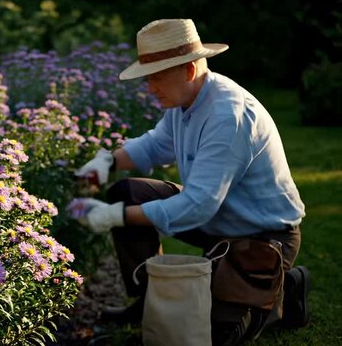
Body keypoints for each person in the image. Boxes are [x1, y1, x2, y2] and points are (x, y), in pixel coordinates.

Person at [73, 19, 309, 346]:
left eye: (157, 77)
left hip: (263, 236)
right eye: (148, 78)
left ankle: (285, 287)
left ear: (187, 70)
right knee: (127, 193)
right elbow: (156, 144)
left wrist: (116, 216)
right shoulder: (186, 99)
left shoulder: (229, 115)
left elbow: (197, 206)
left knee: (209, 335)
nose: (150, 88)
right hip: (219, 217)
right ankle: (151, 301)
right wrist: (104, 162)